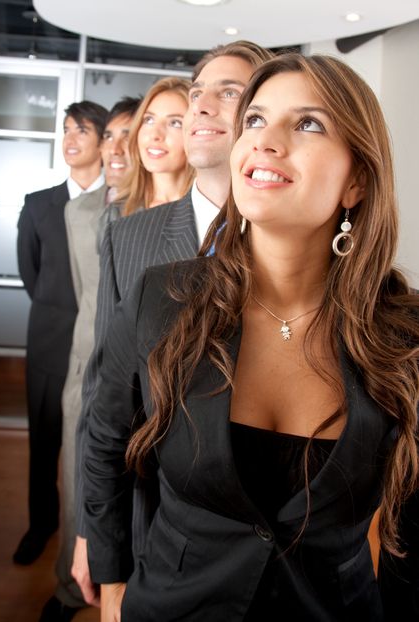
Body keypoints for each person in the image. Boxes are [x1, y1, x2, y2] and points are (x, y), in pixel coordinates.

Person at [83, 53, 419, 621]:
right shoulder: (160, 298)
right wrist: (111, 578)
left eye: (307, 123)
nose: (265, 141)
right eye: (256, 120)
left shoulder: (404, 335)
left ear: (357, 180)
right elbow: (104, 444)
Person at [72, 41, 274, 608]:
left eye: (229, 92)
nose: (202, 105)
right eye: (197, 91)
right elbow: (103, 409)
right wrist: (98, 543)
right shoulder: (131, 237)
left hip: (271, 555)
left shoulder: (300, 245)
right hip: (148, 529)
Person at [39, 97, 141, 622]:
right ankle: (68, 589)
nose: (117, 147)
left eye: (130, 134)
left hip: (143, 378)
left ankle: (126, 588)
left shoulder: (158, 210)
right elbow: (86, 297)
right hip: (86, 371)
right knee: (77, 482)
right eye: (110, 136)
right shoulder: (78, 211)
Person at [15, 100, 108, 565]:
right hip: (50, 344)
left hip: (101, 349)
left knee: (93, 447)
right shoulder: (38, 205)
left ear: (103, 141)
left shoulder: (120, 204)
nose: (71, 138)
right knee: (44, 442)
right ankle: (41, 524)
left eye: (83, 130)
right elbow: (30, 275)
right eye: (66, 129)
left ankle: (88, 534)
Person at [118, 76, 194, 214]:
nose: (155, 135)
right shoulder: (116, 213)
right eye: (149, 120)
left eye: (175, 123)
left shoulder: (214, 212)